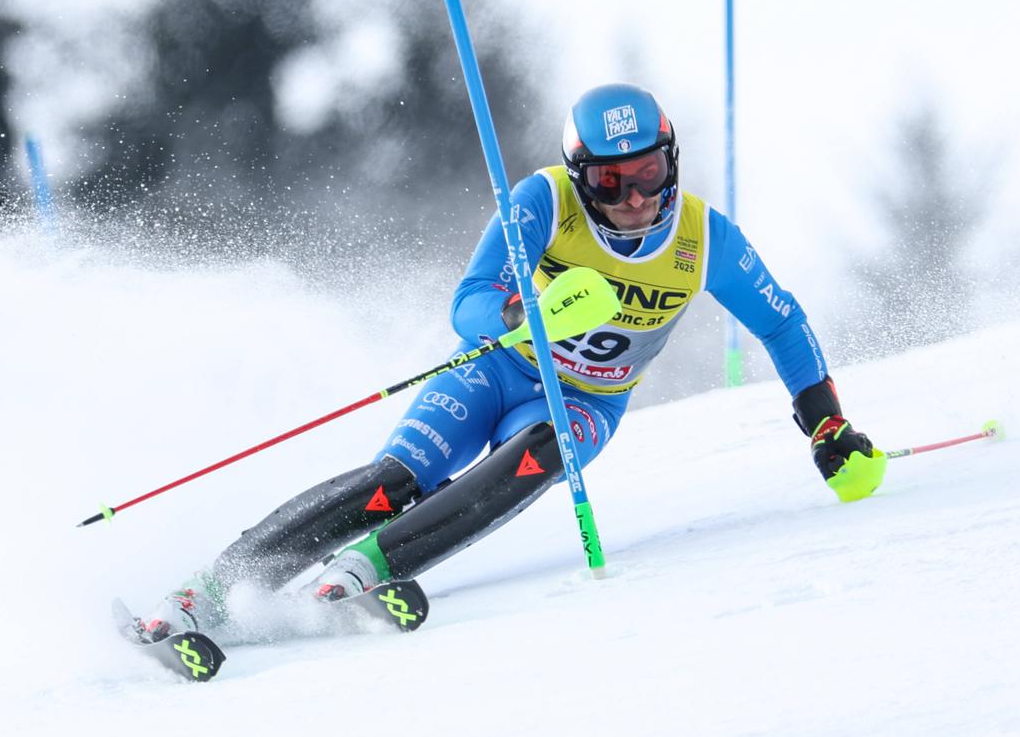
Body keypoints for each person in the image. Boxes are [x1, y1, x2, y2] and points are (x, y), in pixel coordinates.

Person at [134, 83, 883, 641]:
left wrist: (826, 426)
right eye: (610, 181)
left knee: (541, 453)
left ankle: (369, 566)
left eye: (650, 173)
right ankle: (210, 591)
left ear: (672, 161)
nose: (633, 199)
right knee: (394, 481)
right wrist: (514, 318)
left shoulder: (702, 238)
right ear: (580, 174)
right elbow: (467, 300)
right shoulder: (543, 202)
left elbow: (783, 324)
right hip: (491, 370)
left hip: (585, 400)